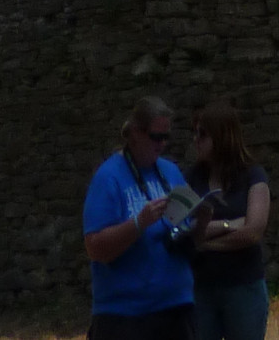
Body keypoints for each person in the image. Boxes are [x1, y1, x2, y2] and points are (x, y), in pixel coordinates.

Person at [83, 95, 195, 340]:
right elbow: (95, 248)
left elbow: (187, 230)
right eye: (156, 137)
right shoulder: (108, 178)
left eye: (166, 137)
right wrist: (138, 223)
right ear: (135, 132)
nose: (162, 144)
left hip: (176, 307)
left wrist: (203, 219)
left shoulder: (170, 171)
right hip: (126, 315)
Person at [184, 102, 271, 340]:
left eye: (203, 134)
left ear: (222, 137)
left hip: (243, 287)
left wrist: (204, 241)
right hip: (201, 289)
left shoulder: (253, 176)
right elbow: (181, 230)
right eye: (195, 133)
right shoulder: (190, 179)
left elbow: (253, 232)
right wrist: (230, 224)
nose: (195, 140)